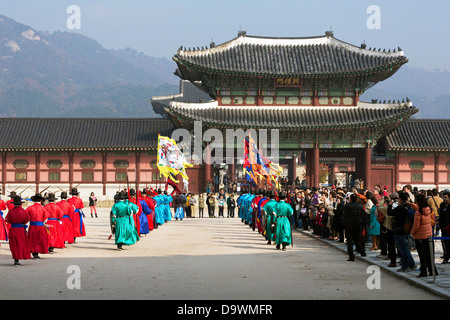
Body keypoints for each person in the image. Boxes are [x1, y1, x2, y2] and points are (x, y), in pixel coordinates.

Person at [411, 193, 438, 277]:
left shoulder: (418, 212)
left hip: (420, 235)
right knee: (429, 254)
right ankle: (433, 270)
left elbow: (416, 225)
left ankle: (423, 272)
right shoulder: (429, 209)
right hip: (429, 234)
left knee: (422, 255)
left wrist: (412, 233)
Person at [389, 192, 417, 272]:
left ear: (400, 199)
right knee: (405, 247)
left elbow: (390, 213)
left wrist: (390, 205)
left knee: (403, 248)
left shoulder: (400, 207)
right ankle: (411, 263)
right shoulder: (409, 206)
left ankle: (405, 265)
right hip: (407, 228)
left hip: (399, 229)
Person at [5, 196, 30, 266]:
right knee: (20, 244)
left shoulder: (11, 211)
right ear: (20, 203)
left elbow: (7, 220)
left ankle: (16, 259)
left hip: (13, 229)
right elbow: (26, 220)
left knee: (14, 245)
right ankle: (17, 259)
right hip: (20, 230)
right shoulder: (23, 211)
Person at [26, 193, 50, 259]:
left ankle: (33, 251)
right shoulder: (43, 208)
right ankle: (36, 252)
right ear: (41, 201)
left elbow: (26, 216)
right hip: (40, 226)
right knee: (40, 239)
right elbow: (46, 216)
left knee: (32, 239)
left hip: (32, 226)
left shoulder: (30, 208)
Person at [342, 193, 366, 261]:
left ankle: (351, 256)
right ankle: (362, 252)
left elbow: (344, 214)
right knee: (357, 239)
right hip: (358, 224)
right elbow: (363, 215)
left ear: (350, 199)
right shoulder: (359, 206)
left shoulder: (347, 206)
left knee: (350, 241)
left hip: (349, 224)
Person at [439, 191, 450, 264]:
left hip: (449, 227)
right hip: (443, 227)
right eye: (443, 197)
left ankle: (447, 257)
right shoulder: (442, 205)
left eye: (445, 197)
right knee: (444, 243)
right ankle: (446, 257)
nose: (444, 199)